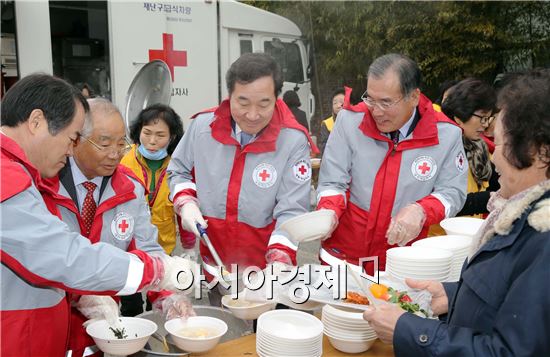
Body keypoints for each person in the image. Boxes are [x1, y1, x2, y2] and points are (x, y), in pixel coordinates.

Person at [0, 74, 194, 356]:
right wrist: (158, 270)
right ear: (36, 122)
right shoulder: (15, 180)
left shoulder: (128, 188)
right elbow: (61, 255)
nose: (69, 149)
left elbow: (140, 245)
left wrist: (166, 293)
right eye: (72, 138)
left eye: (121, 144)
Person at [363, 68, 550, 357]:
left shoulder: (543, 240)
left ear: (540, 153)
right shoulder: (524, 215)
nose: (494, 155)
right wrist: (452, 296)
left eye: (499, 143)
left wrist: (409, 330)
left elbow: (509, 351)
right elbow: (506, 297)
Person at [167, 52, 318, 305]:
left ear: (276, 99)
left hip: (265, 270)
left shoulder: (292, 140)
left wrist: (279, 261)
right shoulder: (203, 127)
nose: (252, 114)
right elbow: (178, 170)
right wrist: (186, 203)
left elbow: (292, 208)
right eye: (243, 102)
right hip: (215, 264)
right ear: (229, 96)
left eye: (263, 104)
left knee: (266, 335)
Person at [316, 53, 467, 272]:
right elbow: (332, 181)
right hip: (343, 256)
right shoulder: (350, 121)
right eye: (370, 99)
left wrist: (421, 211)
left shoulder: (445, 135)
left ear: (414, 97)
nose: (376, 112)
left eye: (386, 102)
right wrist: (329, 212)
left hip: (401, 259)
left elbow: (453, 192)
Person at [121, 104, 190, 256]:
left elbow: (184, 211)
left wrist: (189, 246)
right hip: (129, 248)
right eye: (147, 133)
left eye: (160, 135)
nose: (152, 141)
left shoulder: (178, 167)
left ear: (172, 137)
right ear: (139, 131)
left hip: (163, 249)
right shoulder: (123, 162)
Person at [440, 78, 499, 218]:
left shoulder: (480, 148)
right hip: (439, 237)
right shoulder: (439, 151)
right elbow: (441, 202)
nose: (485, 124)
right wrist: (487, 199)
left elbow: (495, 184)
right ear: (460, 116)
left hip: (470, 234)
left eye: (488, 118)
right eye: (482, 117)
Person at [318, 88, 345, 154]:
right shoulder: (327, 124)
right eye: (335, 103)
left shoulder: (356, 122)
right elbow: (324, 147)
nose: (338, 106)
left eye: (341, 102)